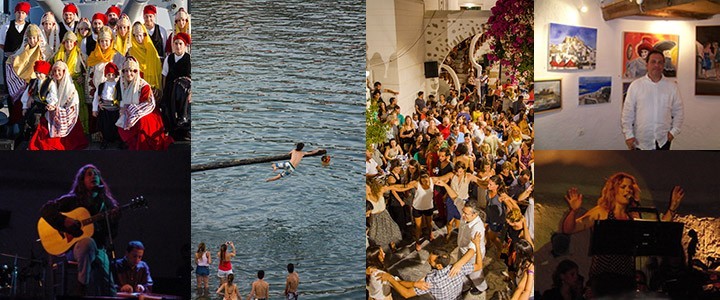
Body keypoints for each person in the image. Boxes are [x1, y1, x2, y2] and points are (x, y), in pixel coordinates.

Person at [561, 172, 684, 296]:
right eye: (623, 187)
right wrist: (574, 210)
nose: (628, 190)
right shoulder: (601, 212)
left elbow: (656, 230)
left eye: (630, 187)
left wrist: (672, 209)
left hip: (626, 277)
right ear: (613, 190)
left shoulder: (633, 215)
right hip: (604, 277)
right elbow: (568, 229)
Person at [40, 164, 119, 295]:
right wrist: (64, 221)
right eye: (89, 174)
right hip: (74, 249)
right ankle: (81, 287)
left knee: (110, 290)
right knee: (87, 243)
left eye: (96, 174)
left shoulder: (107, 204)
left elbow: (111, 235)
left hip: (98, 249)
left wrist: (114, 221)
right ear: (82, 180)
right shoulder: (72, 200)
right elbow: (46, 210)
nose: (94, 176)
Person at [374, 231, 484, 300]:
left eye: (430, 260)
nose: (427, 260)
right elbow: (479, 265)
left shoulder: (432, 280)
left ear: (439, 266)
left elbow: (406, 294)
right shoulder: (459, 268)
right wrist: (477, 245)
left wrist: (390, 279)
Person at [622, 50, 684, 150]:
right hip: (641, 141)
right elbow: (628, 112)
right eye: (653, 62)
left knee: (662, 166)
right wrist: (628, 135)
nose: (657, 65)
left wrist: (674, 131)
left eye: (660, 62)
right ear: (647, 64)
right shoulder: (636, 86)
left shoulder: (672, 87)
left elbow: (678, 111)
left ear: (663, 65)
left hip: (663, 140)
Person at [115, 57, 174, 150]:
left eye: (131, 71)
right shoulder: (123, 84)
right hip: (132, 110)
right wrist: (123, 110)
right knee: (121, 119)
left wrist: (130, 113)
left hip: (148, 111)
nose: (128, 74)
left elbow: (147, 104)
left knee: (141, 122)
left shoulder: (144, 85)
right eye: (126, 71)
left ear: (136, 72)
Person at [28, 61, 88, 150]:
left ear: (64, 71)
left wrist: (59, 110)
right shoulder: (51, 83)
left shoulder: (70, 86)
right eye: (55, 71)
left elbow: (73, 105)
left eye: (59, 71)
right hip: (53, 111)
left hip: (66, 114)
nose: (57, 73)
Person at [5, 23, 43, 129]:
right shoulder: (23, 50)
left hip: (38, 83)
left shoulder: (43, 51)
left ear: (38, 38)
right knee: (19, 107)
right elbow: (14, 61)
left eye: (34, 38)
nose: (32, 41)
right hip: (24, 84)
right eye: (30, 38)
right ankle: (18, 129)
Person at [161, 32, 192, 141]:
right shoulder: (168, 59)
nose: (178, 46)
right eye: (176, 43)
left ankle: (185, 132)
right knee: (170, 112)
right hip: (170, 89)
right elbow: (164, 75)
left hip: (185, 91)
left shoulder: (189, 59)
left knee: (184, 112)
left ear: (184, 45)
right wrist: (164, 92)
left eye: (180, 44)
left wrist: (191, 94)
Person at [92, 62, 122, 149]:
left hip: (115, 109)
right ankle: (105, 140)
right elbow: (96, 97)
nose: (111, 76)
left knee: (115, 125)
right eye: (109, 74)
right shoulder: (102, 85)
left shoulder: (118, 85)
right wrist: (95, 109)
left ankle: (117, 140)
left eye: (113, 75)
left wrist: (121, 108)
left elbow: (121, 97)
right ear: (106, 75)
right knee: (105, 126)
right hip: (104, 109)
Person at [129, 21, 163, 91]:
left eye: (140, 35)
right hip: (136, 83)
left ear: (144, 35)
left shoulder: (151, 49)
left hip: (151, 85)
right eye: (136, 36)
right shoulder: (131, 51)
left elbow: (157, 66)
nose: (139, 38)